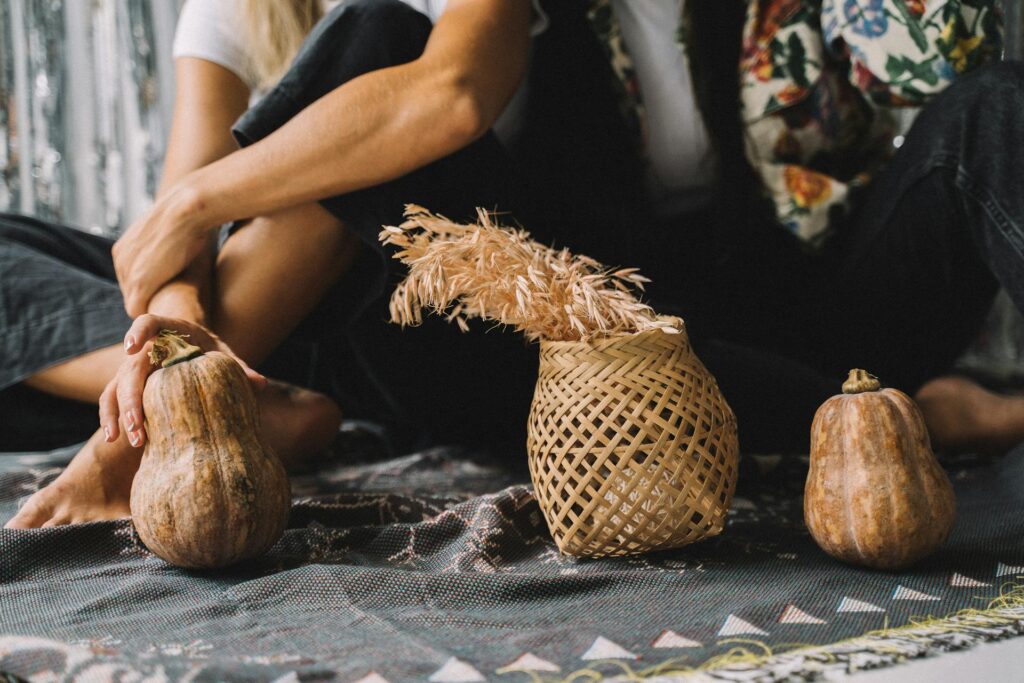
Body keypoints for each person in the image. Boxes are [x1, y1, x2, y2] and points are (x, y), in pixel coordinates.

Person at [4, 0, 1023, 531]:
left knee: (374, 39)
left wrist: (197, 207)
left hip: (628, 328)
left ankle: (200, 398)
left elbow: (441, 98)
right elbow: (169, 231)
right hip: (427, 329)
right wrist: (181, 257)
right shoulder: (230, 14)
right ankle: (203, 399)